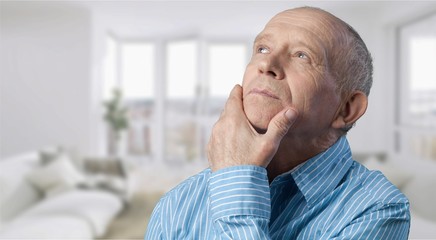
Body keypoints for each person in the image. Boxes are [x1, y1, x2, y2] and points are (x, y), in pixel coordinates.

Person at [145, 6, 410, 239]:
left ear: (347, 109)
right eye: (262, 48)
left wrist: (236, 187)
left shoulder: (378, 209)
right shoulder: (177, 204)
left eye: (302, 55)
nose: (266, 64)